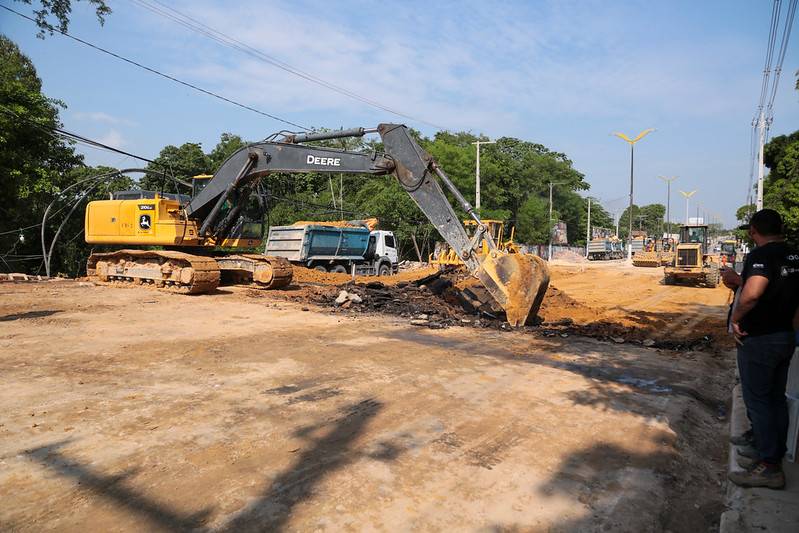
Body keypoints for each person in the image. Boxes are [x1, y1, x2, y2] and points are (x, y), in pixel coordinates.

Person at [721, 209, 799, 490]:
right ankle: (768, 448)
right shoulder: (794, 255)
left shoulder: (759, 256)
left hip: (760, 340)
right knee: (776, 399)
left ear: (753, 231)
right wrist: (791, 330)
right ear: (780, 228)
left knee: (759, 402)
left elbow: (753, 294)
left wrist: (736, 318)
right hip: (784, 337)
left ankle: (768, 467)